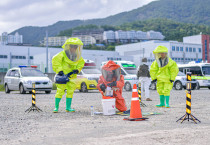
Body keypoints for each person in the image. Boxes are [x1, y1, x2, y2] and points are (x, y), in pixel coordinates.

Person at [52, 37, 85, 113]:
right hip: (62, 76)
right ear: (69, 46)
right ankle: (56, 107)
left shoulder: (77, 56)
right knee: (60, 91)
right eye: (73, 47)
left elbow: (81, 63)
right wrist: (59, 70)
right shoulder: (62, 54)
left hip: (72, 76)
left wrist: (77, 69)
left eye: (76, 47)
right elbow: (55, 61)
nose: (74, 49)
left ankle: (68, 107)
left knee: (70, 91)